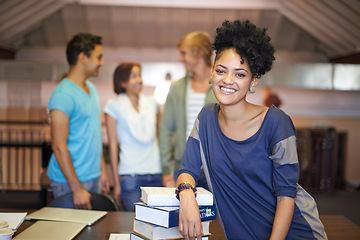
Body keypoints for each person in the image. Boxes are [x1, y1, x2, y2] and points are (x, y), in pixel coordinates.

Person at [176, 20, 327, 240]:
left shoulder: (276, 122)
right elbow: (187, 169)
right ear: (212, 72)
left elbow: (286, 196)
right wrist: (187, 195)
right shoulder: (206, 117)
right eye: (221, 70)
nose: (227, 80)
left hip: (292, 233)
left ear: (254, 80)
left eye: (240, 74)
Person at [47, 33, 110, 209]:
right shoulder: (63, 95)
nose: (102, 63)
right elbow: (58, 146)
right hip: (68, 182)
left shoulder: (91, 89)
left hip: (93, 176)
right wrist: (76, 189)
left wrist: (103, 172)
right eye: (99, 57)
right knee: (69, 235)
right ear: (83, 57)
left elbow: (94, 135)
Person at [160, 31, 218, 189]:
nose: (180, 58)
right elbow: (165, 130)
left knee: (214, 214)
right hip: (183, 168)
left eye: (183, 53)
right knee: (184, 213)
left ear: (199, 52)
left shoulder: (221, 86)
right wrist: (166, 170)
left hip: (216, 169)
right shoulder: (177, 88)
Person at [104, 62, 162, 211]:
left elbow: (160, 138)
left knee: (158, 225)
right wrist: (116, 185)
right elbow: (113, 147)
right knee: (134, 224)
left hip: (156, 173)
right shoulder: (114, 106)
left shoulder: (152, 104)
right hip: (130, 176)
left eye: (140, 76)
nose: (139, 80)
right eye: (133, 76)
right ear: (122, 82)